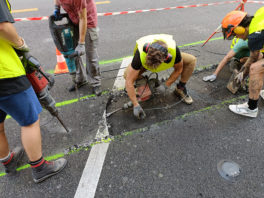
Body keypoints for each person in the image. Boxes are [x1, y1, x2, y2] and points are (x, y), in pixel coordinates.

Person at [0, 0, 67, 183]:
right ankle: (39, 167)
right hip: (5, 73)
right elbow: (3, 27)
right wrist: (20, 43)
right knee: (30, 121)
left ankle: (8, 160)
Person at [124, 34, 196, 119]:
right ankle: (142, 83)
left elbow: (178, 69)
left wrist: (166, 85)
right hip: (145, 62)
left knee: (191, 60)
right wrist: (135, 105)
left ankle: (180, 88)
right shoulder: (140, 55)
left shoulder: (174, 52)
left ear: (167, 58)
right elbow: (129, 80)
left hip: (163, 57)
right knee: (127, 74)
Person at [221, 8, 264, 117]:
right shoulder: (258, 18)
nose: (236, 37)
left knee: (255, 68)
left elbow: (253, 58)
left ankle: (251, 108)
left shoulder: (255, 35)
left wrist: (242, 75)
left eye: (235, 35)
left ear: (239, 29)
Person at [54, 0, 102, 96]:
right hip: (74, 20)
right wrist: (57, 8)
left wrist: (81, 43)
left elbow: (83, 18)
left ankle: (96, 82)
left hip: (87, 21)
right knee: (74, 53)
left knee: (90, 54)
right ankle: (80, 79)